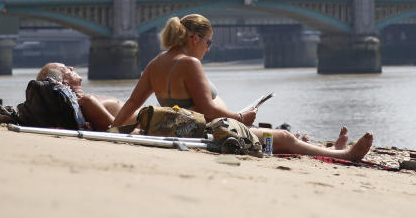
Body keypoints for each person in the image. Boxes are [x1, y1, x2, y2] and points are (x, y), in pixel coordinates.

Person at [109, 14, 373, 160]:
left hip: (185, 129)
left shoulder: (156, 63)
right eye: (208, 42)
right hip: (203, 132)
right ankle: (345, 155)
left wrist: (113, 129)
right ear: (193, 38)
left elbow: (133, 103)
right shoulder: (189, 63)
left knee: (277, 137)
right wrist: (241, 117)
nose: (208, 49)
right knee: (283, 137)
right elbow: (207, 110)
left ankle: (332, 151)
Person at [37, 62, 130, 132]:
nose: (72, 68)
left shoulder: (83, 101)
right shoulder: (85, 102)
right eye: (66, 69)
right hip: (141, 122)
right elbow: (119, 130)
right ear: (64, 83)